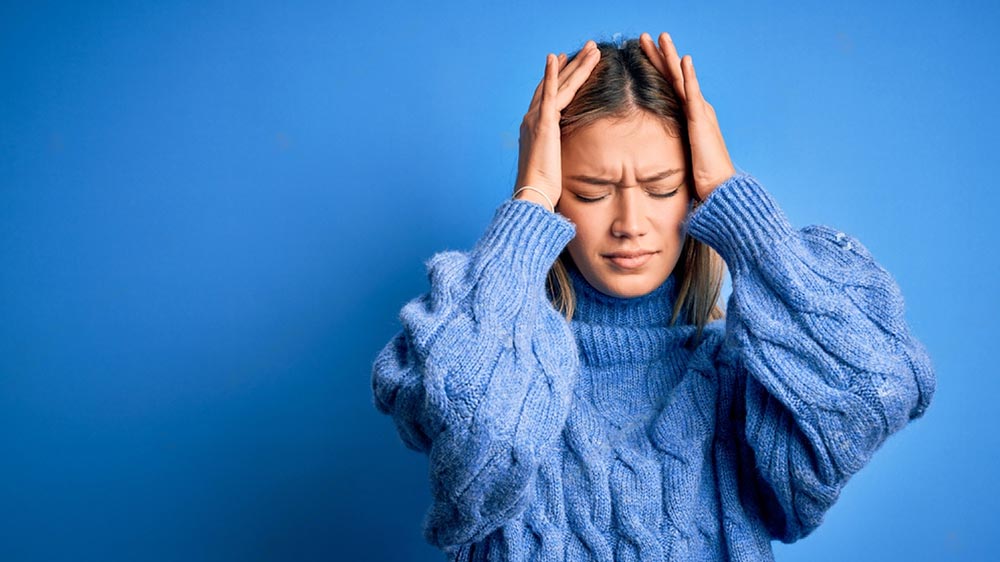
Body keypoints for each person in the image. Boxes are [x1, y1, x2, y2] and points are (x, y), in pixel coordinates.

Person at [370, 31, 936, 562]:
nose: (630, 224)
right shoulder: (492, 355)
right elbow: (480, 434)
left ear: (693, 195)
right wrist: (529, 201)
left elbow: (878, 387)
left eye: (662, 189)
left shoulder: (741, 378)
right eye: (592, 193)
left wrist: (738, 208)